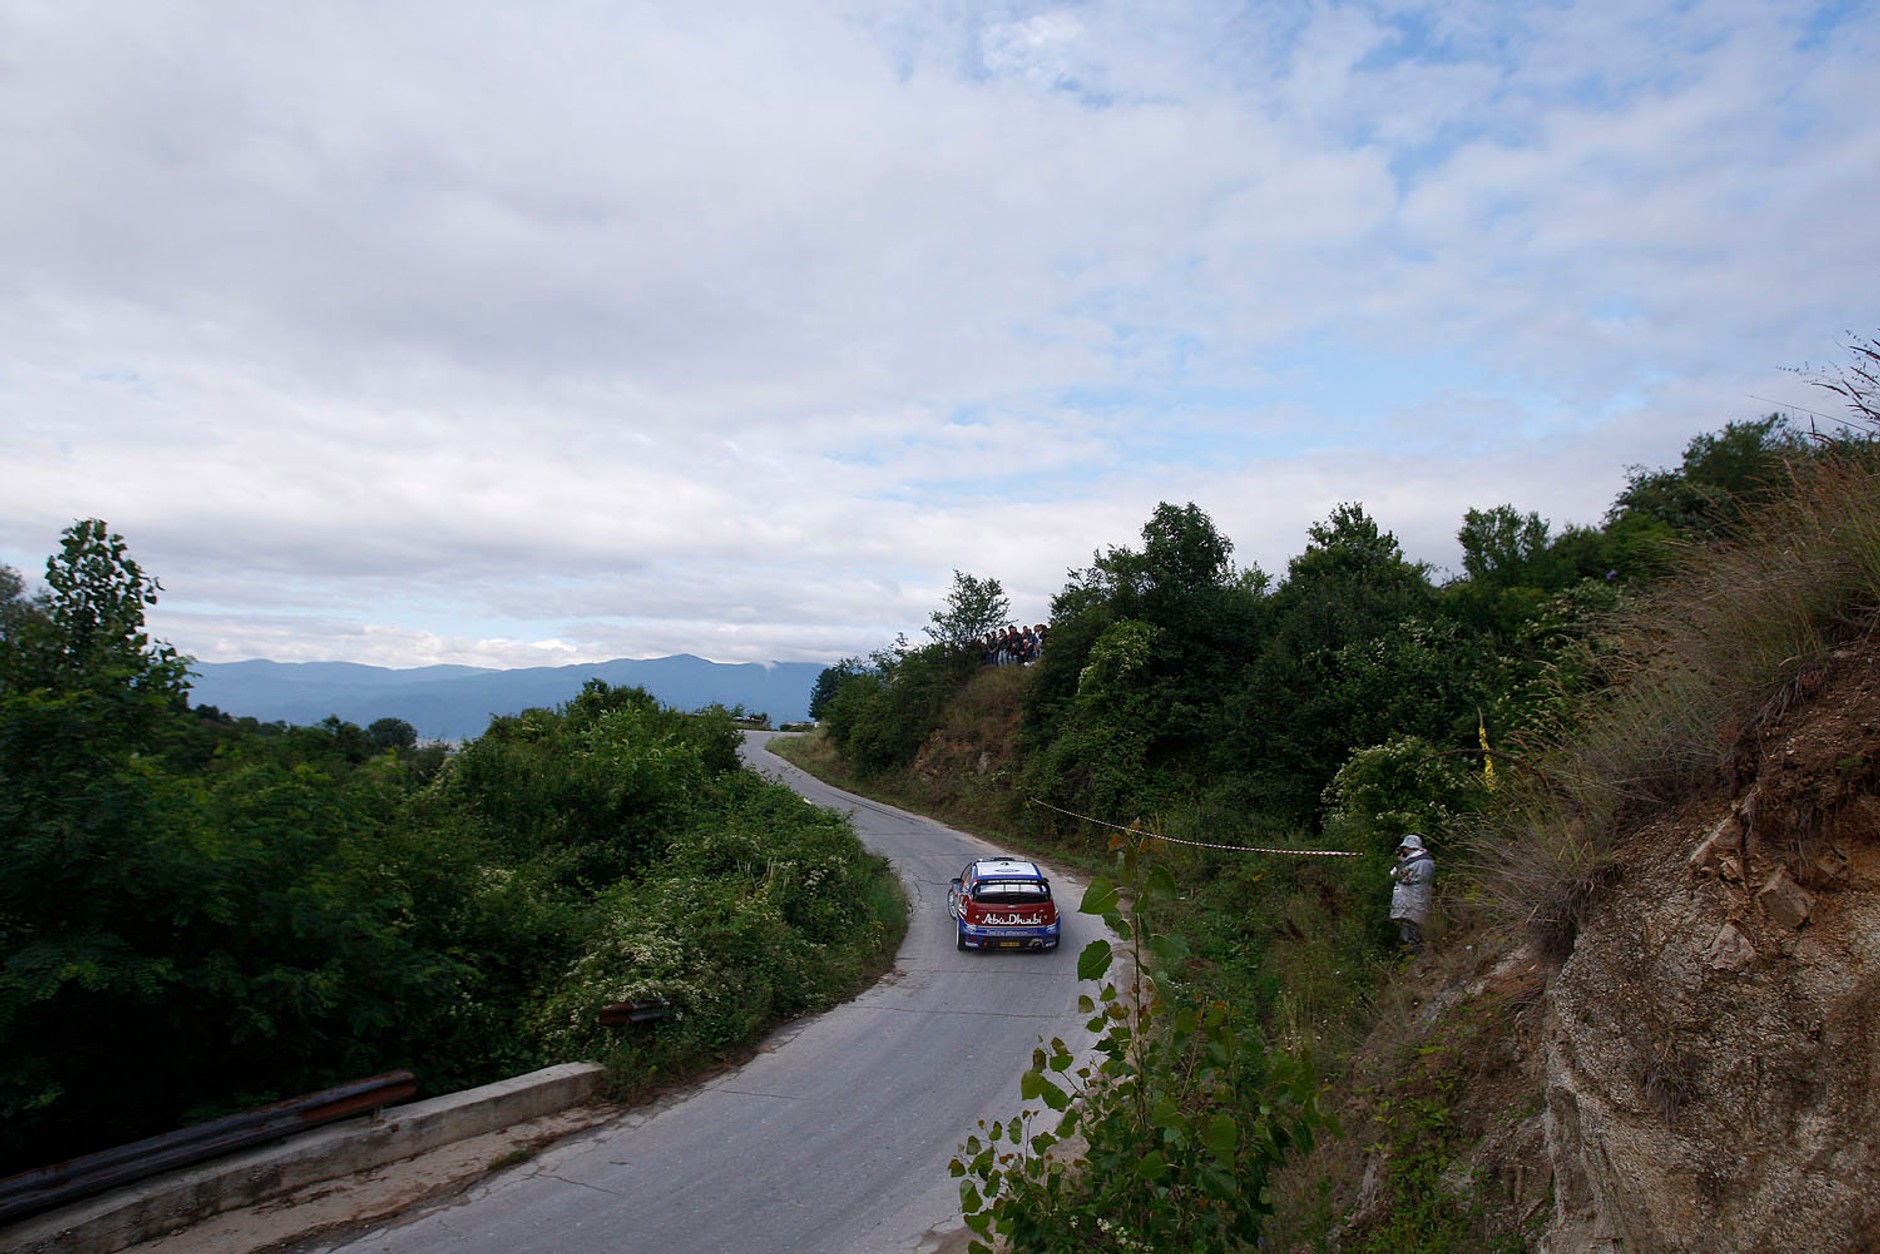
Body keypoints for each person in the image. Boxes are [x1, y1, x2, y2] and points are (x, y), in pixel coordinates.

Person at [1389, 834, 1436, 956]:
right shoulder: (1427, 860)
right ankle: (1416, 954)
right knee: (1416, 928)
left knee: (1410, 931)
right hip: (1419, 898)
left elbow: (1396, 875)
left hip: (1409, 901)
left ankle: (1414, 956)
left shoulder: (1413, 862)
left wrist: (1400, 862)